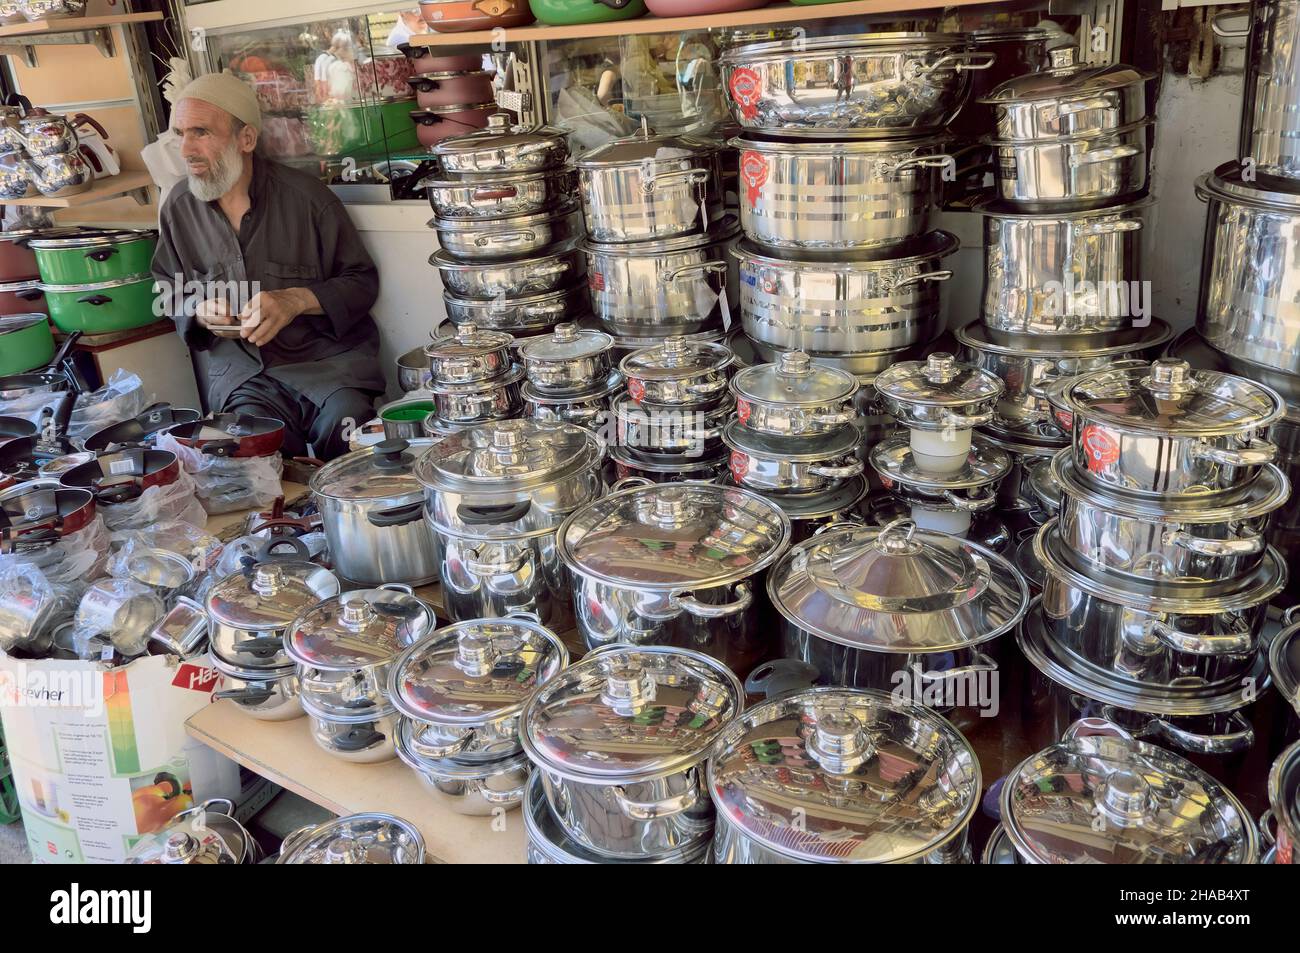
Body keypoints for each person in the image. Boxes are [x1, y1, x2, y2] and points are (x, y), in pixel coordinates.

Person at [151, 71, 384, 461]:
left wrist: (295, 300)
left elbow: (361, 282)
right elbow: (165, 290)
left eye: (201, 132)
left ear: (246, 139)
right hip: (244, 377)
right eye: (180, 134)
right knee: (251, 455)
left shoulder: (308, 199)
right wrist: (198, 310)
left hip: (327, 366)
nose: (186, 149)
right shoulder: (178, 207)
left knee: (349, 434)